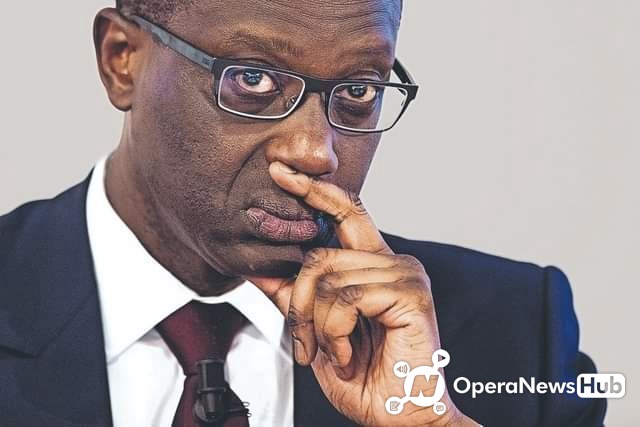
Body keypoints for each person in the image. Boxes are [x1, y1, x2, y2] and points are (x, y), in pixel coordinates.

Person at [0, 1, 606, 426]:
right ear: (122, 59)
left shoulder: (516, 331)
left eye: (359, 90)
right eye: (254, 79)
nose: (316, 151)